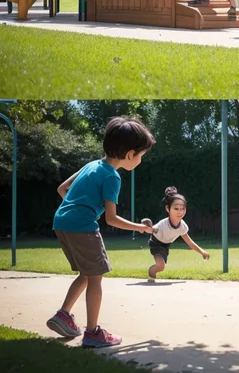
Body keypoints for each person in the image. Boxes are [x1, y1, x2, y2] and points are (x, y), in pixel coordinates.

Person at [46, 117, 155, 348]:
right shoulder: (111, 176)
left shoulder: (91, 165)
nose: (140, 160)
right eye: (141, 156)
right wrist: (141, 228)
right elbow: (111, 218)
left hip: (61, 222)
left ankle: (63, 315)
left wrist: (76, 210)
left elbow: (62, 188)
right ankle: (93, 332)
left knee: (87, 273)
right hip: (82, 228)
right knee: (96, 277)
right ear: (129, 155)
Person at [142, 187, 210, 282]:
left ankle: (153, 274)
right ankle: (151, 273)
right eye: (176, 208)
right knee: (161, 266)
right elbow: (151, 230)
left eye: (182, 208)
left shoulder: (182, 226)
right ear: (167, 208)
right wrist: (146, 226)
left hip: (165, 245)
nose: (180, 211)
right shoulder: (163, 225)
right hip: (155, 243)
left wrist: (202, 251)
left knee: (161, 267)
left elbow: (189, 242)